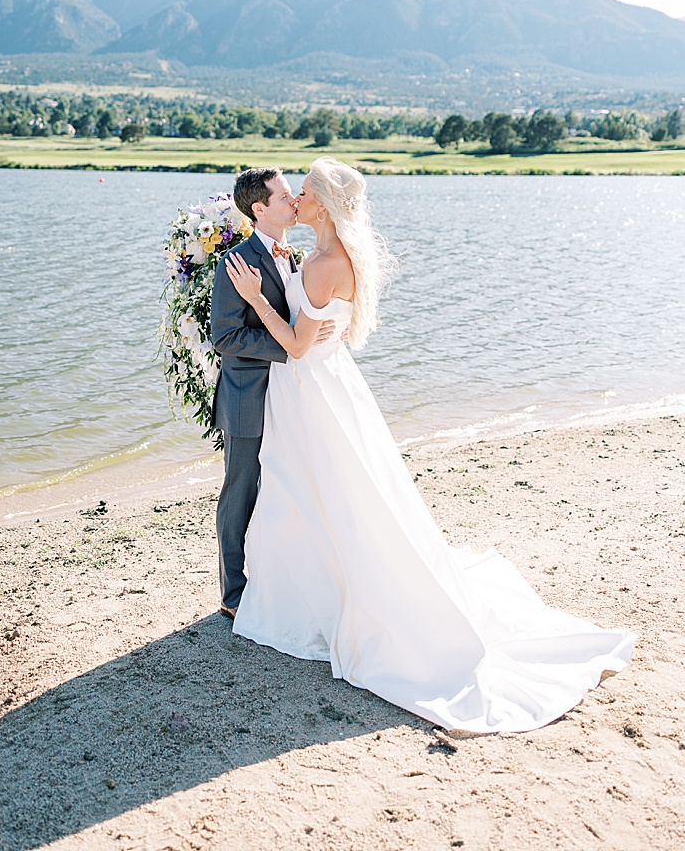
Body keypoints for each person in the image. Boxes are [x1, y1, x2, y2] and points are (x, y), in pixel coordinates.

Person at [221, 156, 636, 734]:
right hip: (318, 387)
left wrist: (257, 296)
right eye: (294, 192)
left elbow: (293, 344)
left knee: (321, 492)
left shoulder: (323, 264)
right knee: (313, 492)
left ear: (325, 204)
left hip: (309, 388)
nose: (298, 199)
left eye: (306, 191)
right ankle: (295, 587)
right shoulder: (315, 257)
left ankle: (308, 597)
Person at [209, 167, 337, 620]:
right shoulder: (236, 264)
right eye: (285, 197)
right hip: (248, 394)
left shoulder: (295, 254)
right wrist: (290, 350)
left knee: (283, 487)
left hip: (288, 396)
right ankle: (233, 593)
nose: (294, 202)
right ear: (259, 208)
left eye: (292, 195)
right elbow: (224, 337)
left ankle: (274, 577)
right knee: (240, 490)